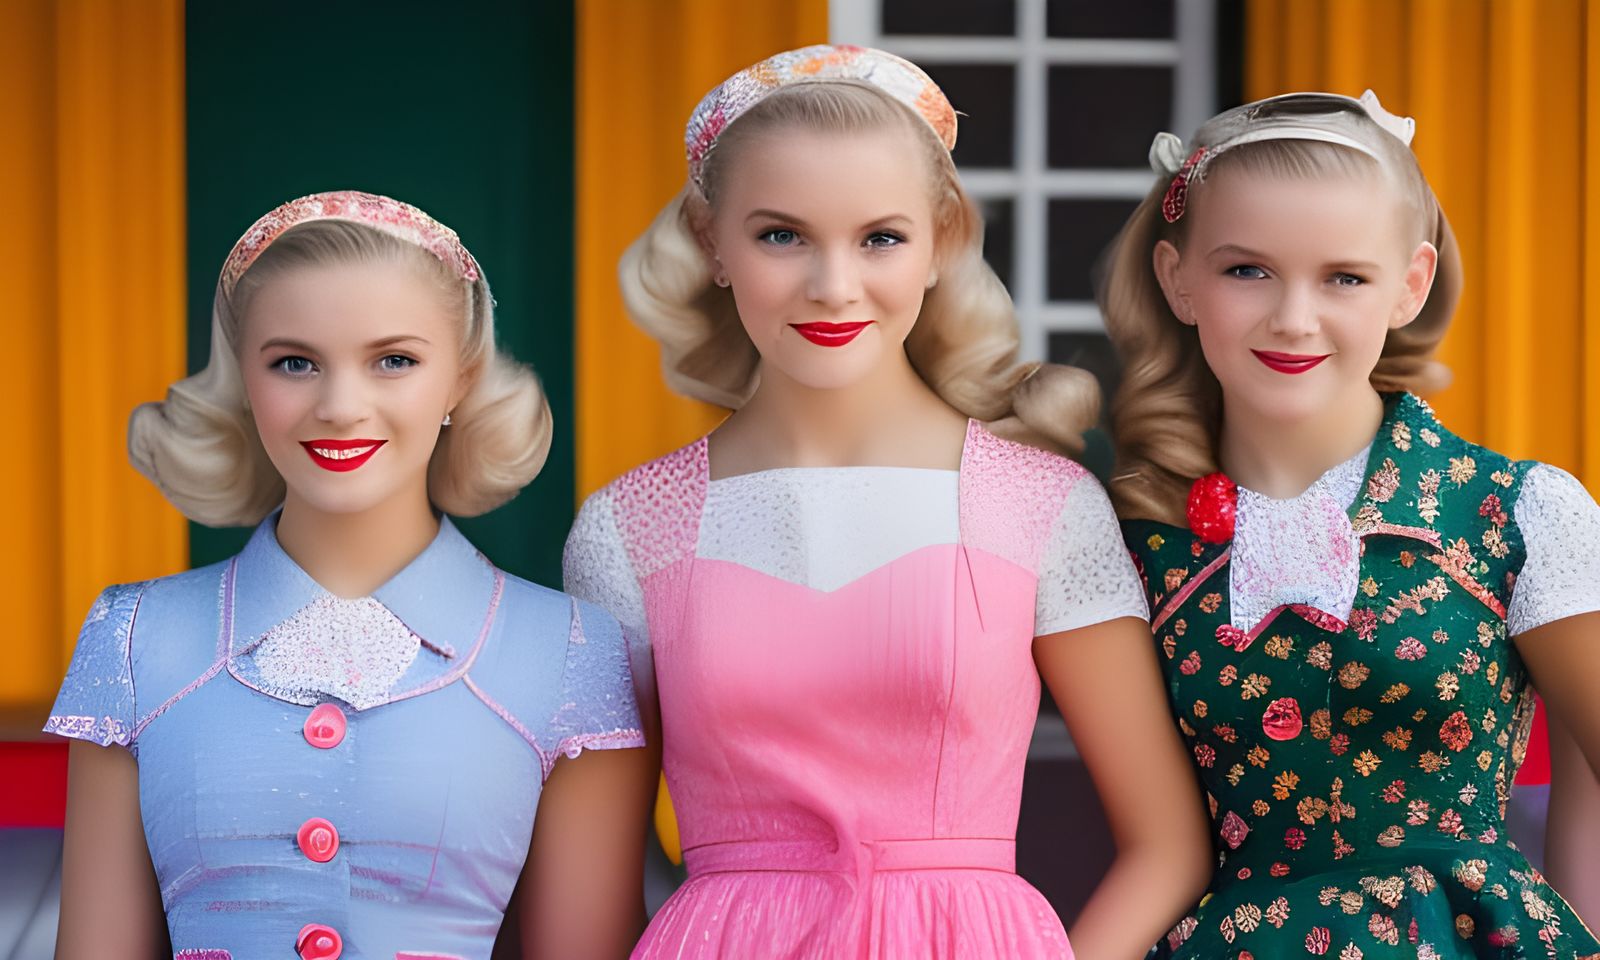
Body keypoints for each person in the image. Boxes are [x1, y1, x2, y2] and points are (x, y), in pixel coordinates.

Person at [565, 45, 1209, 959]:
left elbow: (1168, 847)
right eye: (781, 235)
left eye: (881, 237)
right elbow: (593, 881)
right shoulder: (628, 527)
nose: (835, 285)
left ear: (942, 240)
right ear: (712, 243)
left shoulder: (1042, 504)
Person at [47, 191, 654, 960]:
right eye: (294, 363)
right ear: (242, 375)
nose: (340, 405)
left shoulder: (570, 650)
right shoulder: (134, 639)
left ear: (462, 378)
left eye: (393, 360)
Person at [1103, 91, 1600, 958]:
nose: (1295, 317)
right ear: (1178, 278)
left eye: (1344, 277)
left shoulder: (1517, 512)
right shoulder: (1129, 543)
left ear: (1411, 285)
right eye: (1246, 270)